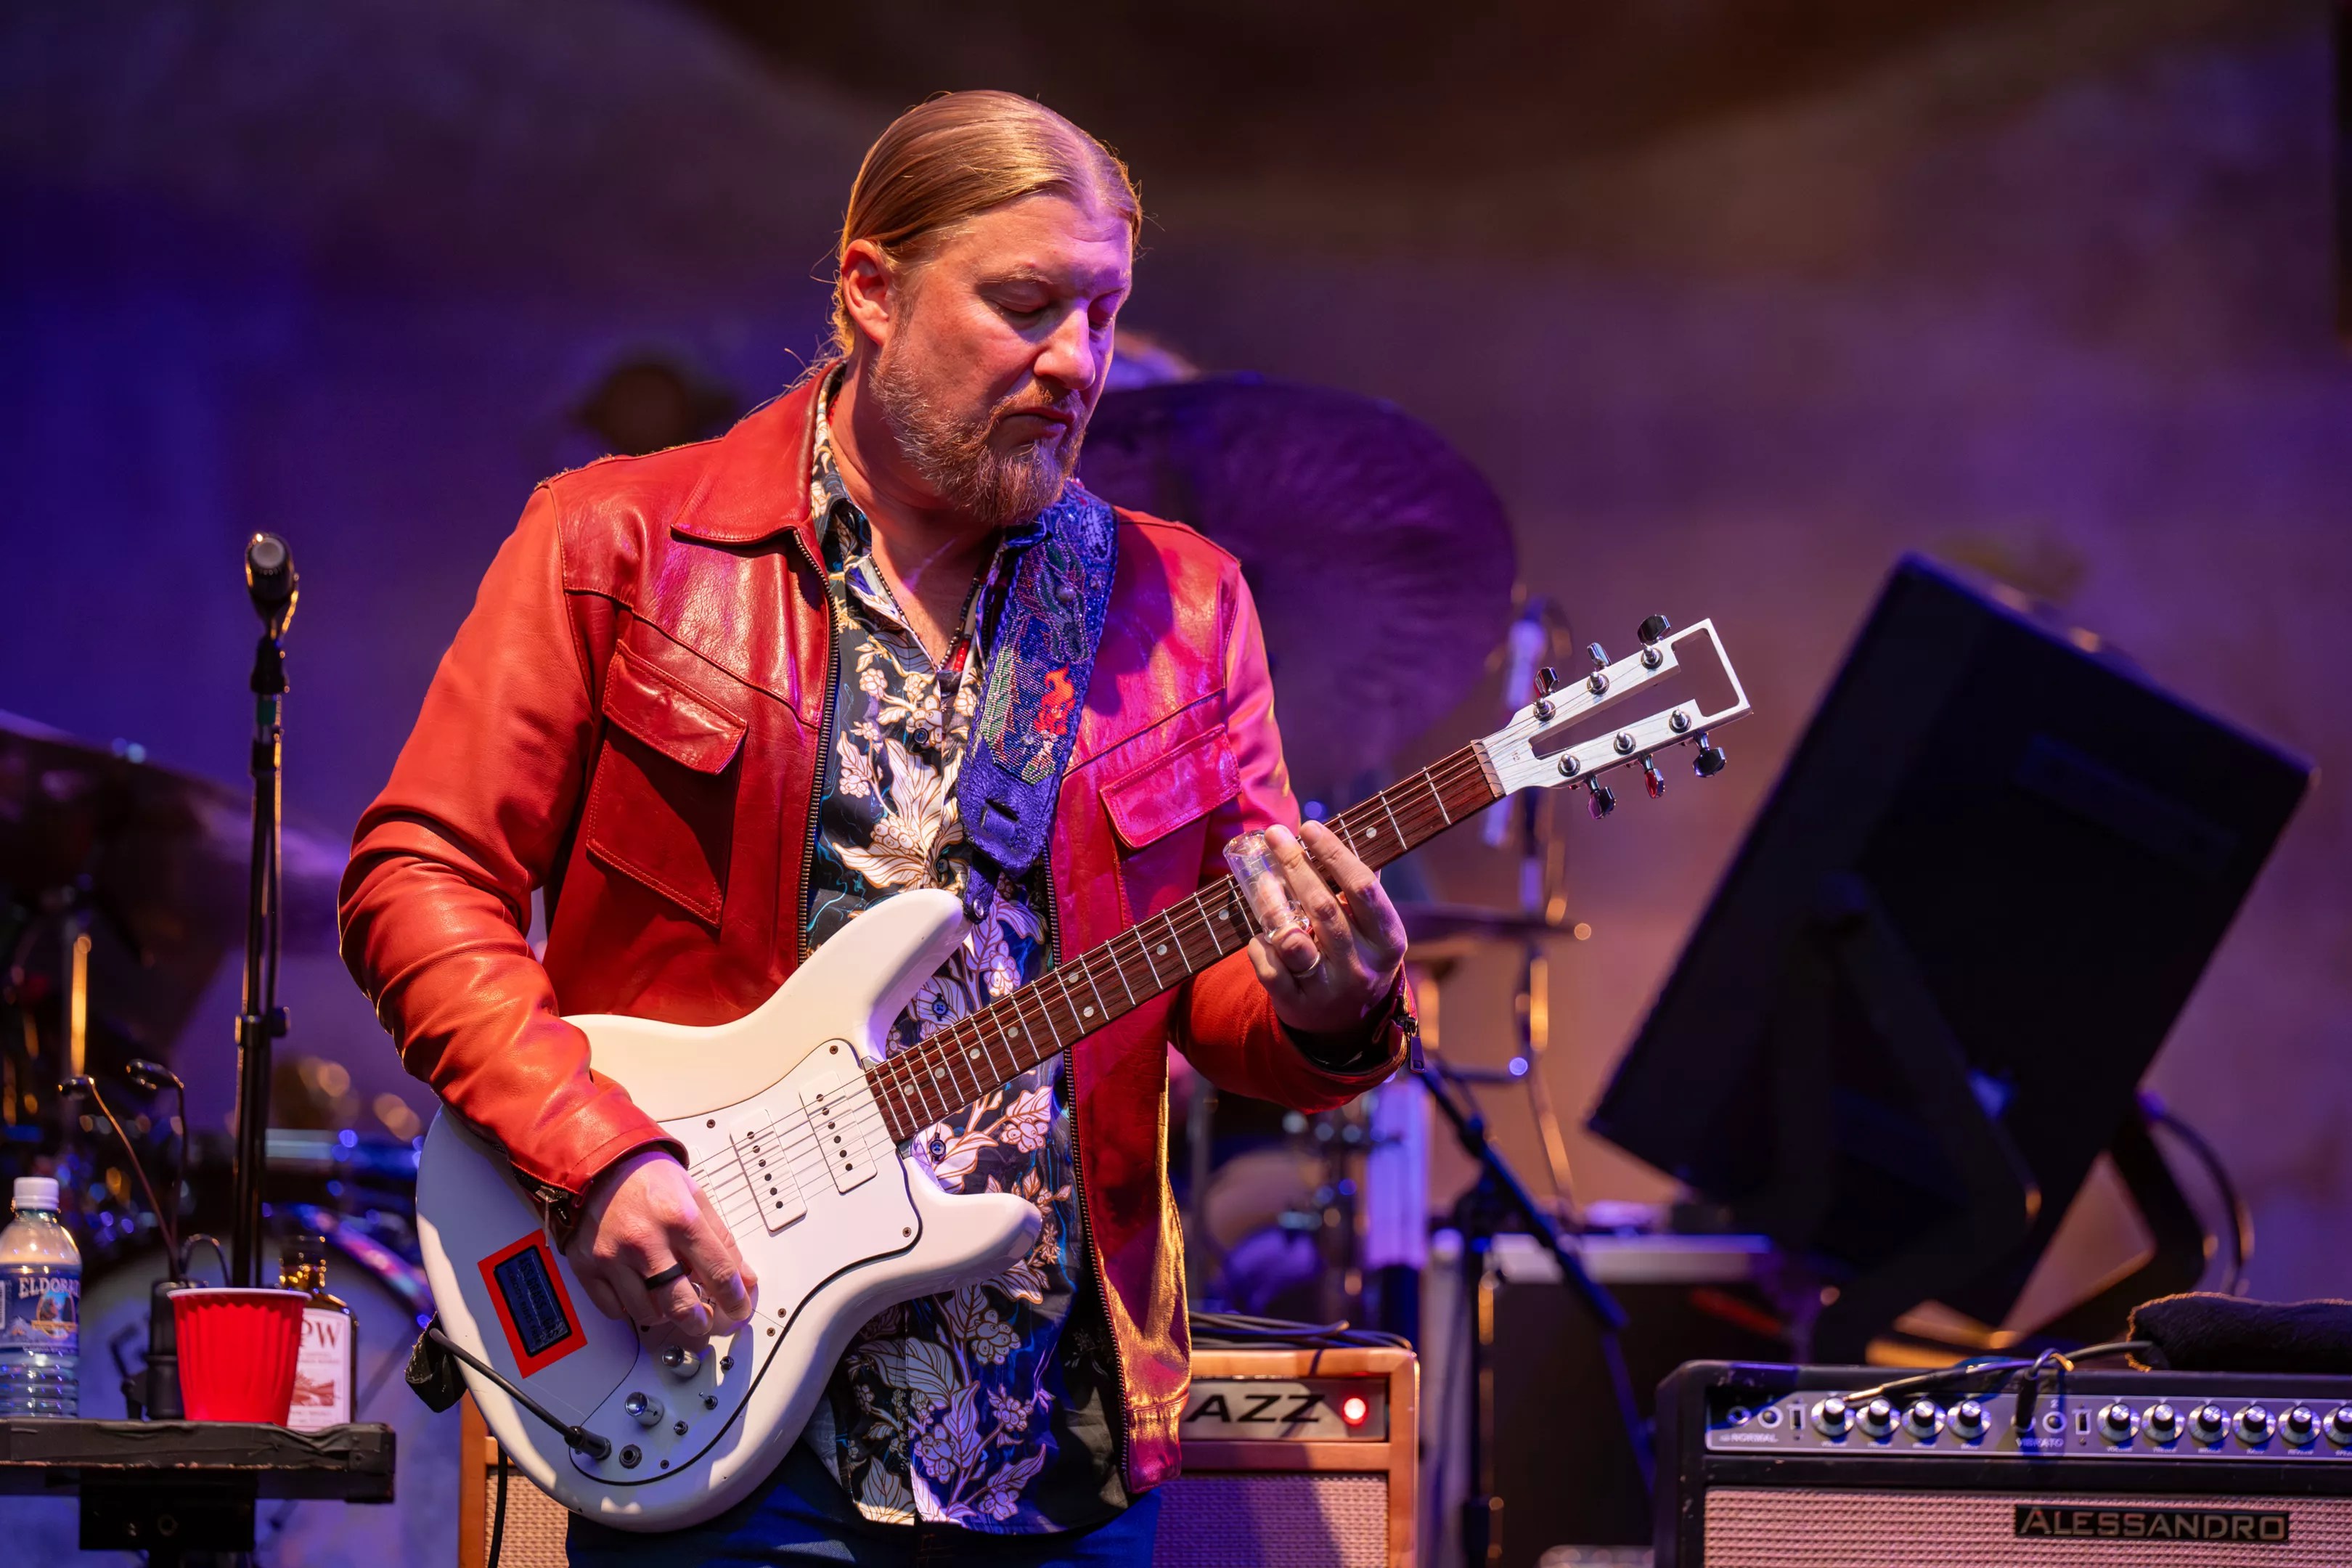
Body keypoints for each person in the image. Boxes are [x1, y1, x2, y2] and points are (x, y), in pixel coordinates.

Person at [339, 91, 1412, 1566]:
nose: (1077, 361)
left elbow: (1221, 995)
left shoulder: (1186, 608)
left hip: (1053, 1445)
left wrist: (1330, 1006)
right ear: (870, 290)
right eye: (1025, 306)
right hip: (724, 1395)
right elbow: (422, 876)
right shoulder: (619, 544)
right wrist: (597, 1155)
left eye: (1102, 314)